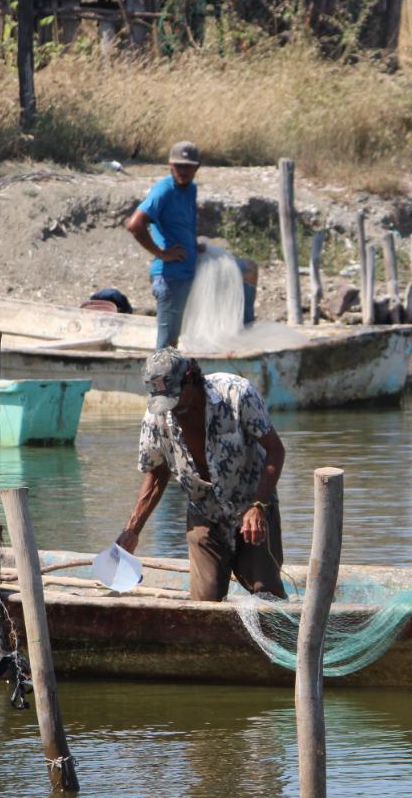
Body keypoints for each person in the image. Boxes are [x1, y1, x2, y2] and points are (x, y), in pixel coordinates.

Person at [116, 348, 287, 602]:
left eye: (174, 398)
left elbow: (275, 450)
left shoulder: (237, 394)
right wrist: (132, 531)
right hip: (204, 513)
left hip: (252, 507)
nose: (170, 409)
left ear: (191, 377)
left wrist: (258, 506)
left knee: (267, 595)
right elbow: (156, 477)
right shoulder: (156, 418)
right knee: (206, 602)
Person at [124, 141, 257, 349]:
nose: (183, 171)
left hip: (191, 268)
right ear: (170, 166)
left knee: (248, 270)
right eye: (178, 166)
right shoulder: (164, 190)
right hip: (171, 277)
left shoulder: (190, 190)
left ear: (197, 168)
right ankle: (159, 380)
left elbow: (182, 222)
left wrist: (193, 245)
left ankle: (246, 336)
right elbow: (134, 224)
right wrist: (162, 253)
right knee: (168, 346)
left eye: (188, 166)